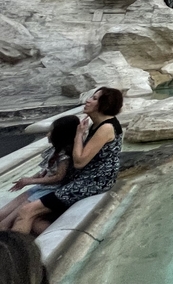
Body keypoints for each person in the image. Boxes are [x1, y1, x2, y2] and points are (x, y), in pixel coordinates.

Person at [11, 88, 123, 236]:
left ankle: (14, 252)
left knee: (27, 210)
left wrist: (78, 135)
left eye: (94, 98)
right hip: (85, 179)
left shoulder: (106, 127)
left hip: (92, 183)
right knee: (35, 219)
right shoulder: (97, 125)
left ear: (104, 105)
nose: (88, 100)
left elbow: (79, 162)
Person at [0, 116, 79, 230]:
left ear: (60, 135)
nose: (47, 135)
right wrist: (28, 179)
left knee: (7, 222)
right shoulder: (55, 150)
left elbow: (58, 177)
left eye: (51, 132)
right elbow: (46, 170)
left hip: (48, 190)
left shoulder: (64, 156)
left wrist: (31, 181)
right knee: (2, 214)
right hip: (41, 187)